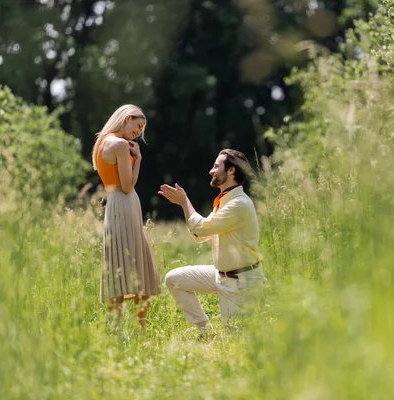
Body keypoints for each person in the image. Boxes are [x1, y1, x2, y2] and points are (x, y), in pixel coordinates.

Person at [159, 149, 266, 336]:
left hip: (241, 283)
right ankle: (205, 333)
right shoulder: (225, 201)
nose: (211, 170)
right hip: (220, 275)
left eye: (216, 166)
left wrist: (185, 202)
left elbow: (200, 228)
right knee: (173, 279)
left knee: (236, 340)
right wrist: (186, 206)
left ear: (231, 171)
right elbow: (200, 235)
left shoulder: (239, 204)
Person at [91, 104, 161, 328]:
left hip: (114, 205)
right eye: (138, 126)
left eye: (141, 129)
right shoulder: (121, 145)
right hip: (124, 203)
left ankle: (116, 331)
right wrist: (138, 159)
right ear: (127, 118)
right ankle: (140, 332)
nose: (138, 132)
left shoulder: (103, 141)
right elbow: (128, 186)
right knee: (139, 268)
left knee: (118, 267)